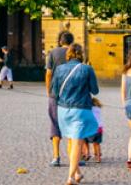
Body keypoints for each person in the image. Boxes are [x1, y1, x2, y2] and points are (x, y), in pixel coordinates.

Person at [51, 43, 99, 185]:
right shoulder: (87, 69)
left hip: (63, 110)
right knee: (77, 143)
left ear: (69, 54)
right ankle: (70, 177)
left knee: (71, 141)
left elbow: (54, 92)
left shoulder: (59, 69)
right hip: (80, 109)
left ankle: (77, 173)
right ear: (81, 55)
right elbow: (95, 90)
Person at [45, 30, 74, 168]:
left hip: (55, 93)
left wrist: (49, 91)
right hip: (72, 93)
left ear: (60, 41)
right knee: (72, 124)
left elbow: (48, 73)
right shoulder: (75, 52)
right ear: (71, 41)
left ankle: (56, 157)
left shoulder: (53, 53)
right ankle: (74, 157)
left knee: (55, 123)